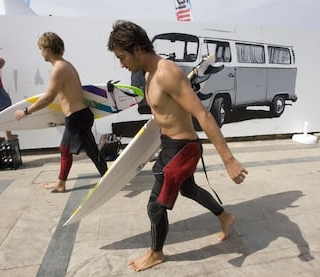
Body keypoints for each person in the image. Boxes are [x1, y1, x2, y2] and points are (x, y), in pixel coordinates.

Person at [108, 20, 248, 272]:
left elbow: (203, 115)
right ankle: (225, 217)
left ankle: (156, 253)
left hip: (182, 149)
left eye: (122, 57)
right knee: (189, 189)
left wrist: (229, 159)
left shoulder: (166, 72)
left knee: (155, 205)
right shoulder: (149, 74)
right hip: (170, 144)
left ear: (137, 48)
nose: (121, 64)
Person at [14, 32, 107, 192]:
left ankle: (62, 183)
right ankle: (106, 176)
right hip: (79, 115)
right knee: (88, 149)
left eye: (41, 49)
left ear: (48, 49)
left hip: (77, 117)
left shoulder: (59, 68)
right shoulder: (66, 65)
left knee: (70, 148)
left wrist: (26, 111)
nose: (41, 53)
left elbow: (48, 98)